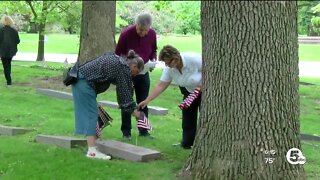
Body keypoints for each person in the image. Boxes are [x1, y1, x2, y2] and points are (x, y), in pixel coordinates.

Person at [72, 50, 144, 160]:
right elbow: (124, 95)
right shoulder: (122, 67)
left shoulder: (119, 61)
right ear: (134, 65)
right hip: (83, 83)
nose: (136, 75)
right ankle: (92, 152)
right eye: (137, 71)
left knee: (97, 114)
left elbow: (125, 89)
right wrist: (136, 113)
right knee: (91, 115)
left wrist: (131, 106)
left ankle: (93, 144)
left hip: (81, 80)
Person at [138, 45, 202, 149]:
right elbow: (161, 84)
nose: (167, 65)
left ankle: (203, 143)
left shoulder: (194, 59)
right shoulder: (170, 69)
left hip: (205, 91)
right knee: (187, 116)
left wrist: (203, 85)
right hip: (189, 91)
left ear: (176, 58)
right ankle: (187, 143)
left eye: (168, 62)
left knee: (205, 117)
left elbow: (212, 70)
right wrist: (147, 100)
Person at [115, 12, 157, 139]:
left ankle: (143, 131)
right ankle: (126, 132)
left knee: (143, 101)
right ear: (136, 24)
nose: (143, 33)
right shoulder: (126, 34)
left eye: (145, 30)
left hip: (143, 73)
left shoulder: (152, 34)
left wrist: (153, 61)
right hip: (127, 74)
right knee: (127, 101)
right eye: (140, 29)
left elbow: (153, 50)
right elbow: (117, 54)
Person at [0, 15, 20, 86]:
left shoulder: (1, 30)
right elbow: (18, 41)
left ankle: (9, 82)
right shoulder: (14, 31)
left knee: (6, 66)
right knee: (8, 64)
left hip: (3, 51)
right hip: (11, 51)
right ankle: (9, 79)